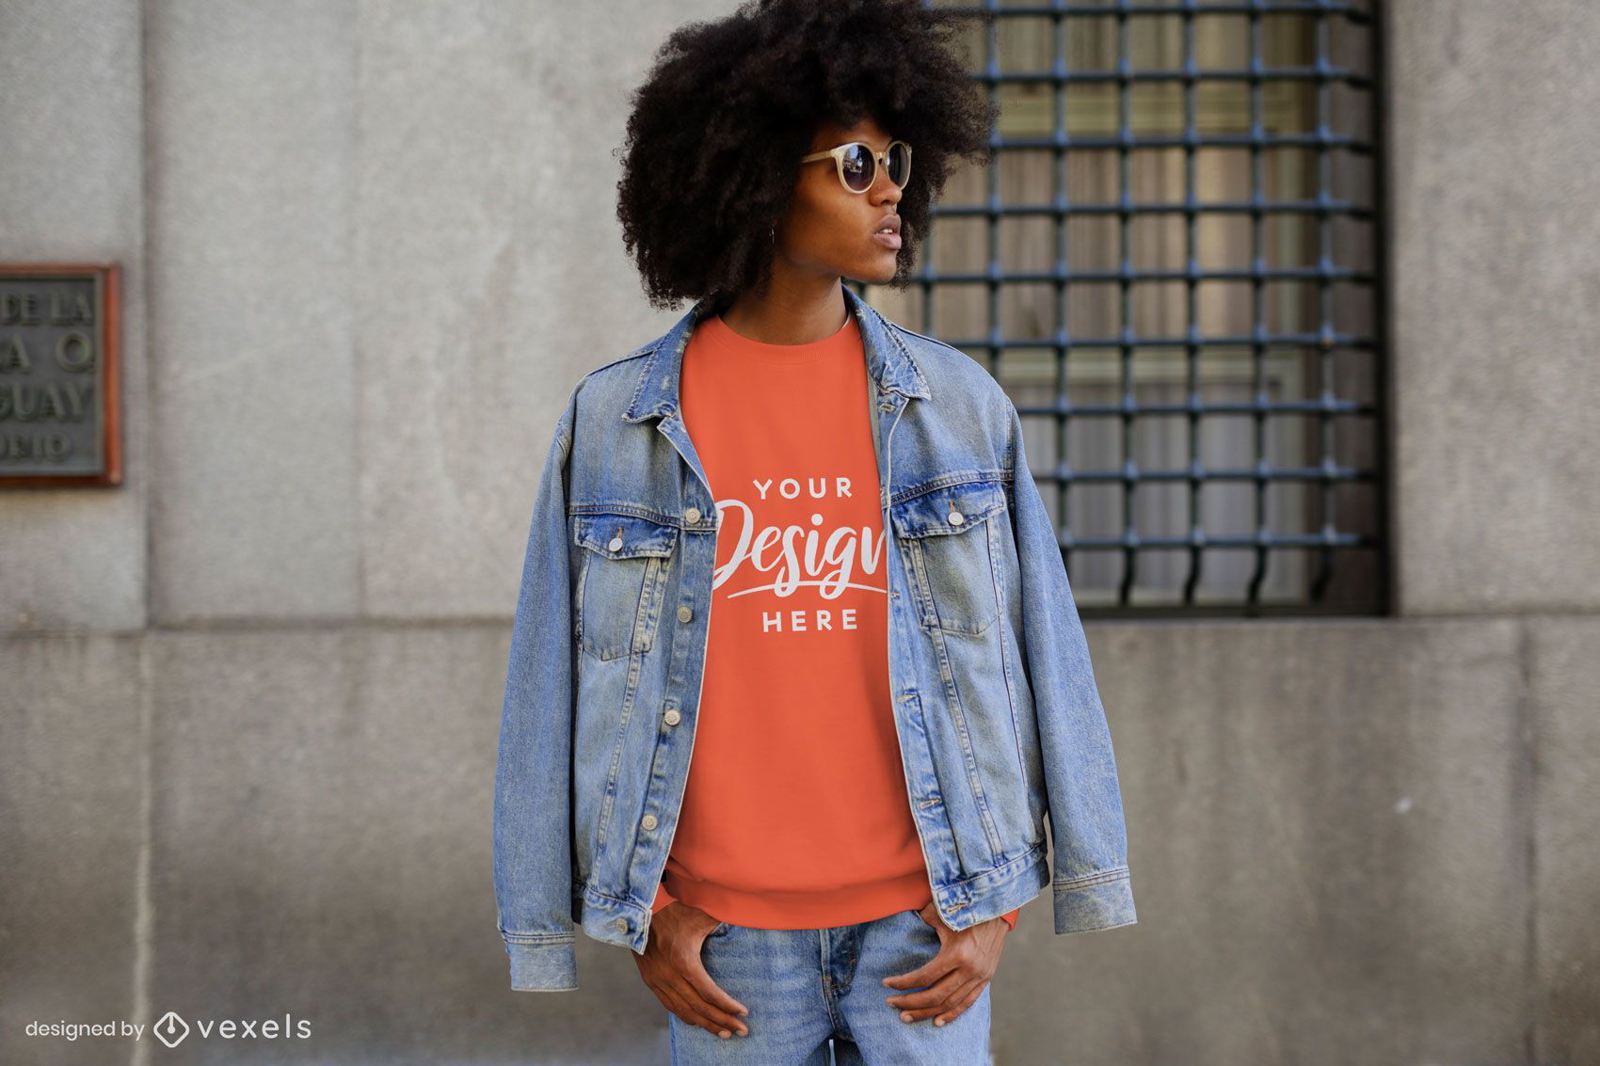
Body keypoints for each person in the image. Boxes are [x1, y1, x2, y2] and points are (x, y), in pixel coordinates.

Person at [493, 2, 1137, 1063]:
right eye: (852, 162)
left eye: (897, 159)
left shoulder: (956, 408)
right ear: (748, 175)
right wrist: (638, 912)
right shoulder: (614, 423)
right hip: (725, 945)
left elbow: (1042, 655)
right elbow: (547, 685)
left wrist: (1000, 906)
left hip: (922, 930)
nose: (890, 188)